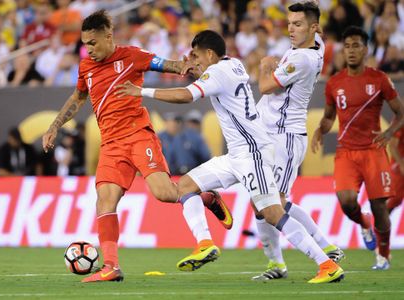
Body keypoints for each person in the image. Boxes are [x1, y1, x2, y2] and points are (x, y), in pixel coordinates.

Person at [115, 29, 344, 284]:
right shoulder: (233, 64)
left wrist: (142, 92)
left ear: (210, 53)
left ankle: (326, 264)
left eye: (197, 55)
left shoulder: (218, 72)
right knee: (185, 187)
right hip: (236, 154)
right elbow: (210, 76)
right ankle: (205, 243)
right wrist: (196, 69)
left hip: (253, 153)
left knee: (272, 213)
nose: (194, 60)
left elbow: (185, 96)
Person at [41, 10, 232, 283]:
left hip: (138, 136)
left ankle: (206, 197)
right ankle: (111, 266)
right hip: (111, 144)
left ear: (108, 37)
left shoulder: (132, 56)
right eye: (85, 44)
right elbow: (78, 97)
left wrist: (183, 66)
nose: (89, 50)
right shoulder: (86, 67)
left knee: (165, 194)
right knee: (105, 201)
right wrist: (55, 125)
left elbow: (167, 65)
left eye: (93, 43)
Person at [253, 2, 343, 280]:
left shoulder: (302, 58)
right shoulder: (317, 44)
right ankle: (321, 249)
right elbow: (319, 33)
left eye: (298, 24)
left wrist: (264, 66)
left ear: (313, 27)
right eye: (290, 23)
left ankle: (315, 257)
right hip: (271, 134)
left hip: (285, 138)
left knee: (271, 205)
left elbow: (266, 86)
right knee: (265, 204)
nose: (291, 29)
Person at [311, 26, 403, 270]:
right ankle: (364, 224)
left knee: (380, 207)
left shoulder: (379, 79)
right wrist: (321, 129)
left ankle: (383, 255)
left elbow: (400, 113)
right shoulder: (334, 83)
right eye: (347, 46)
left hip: (373, 152)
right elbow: (330, 116)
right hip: (346, 152)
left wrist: (390, 132)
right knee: (347, 201)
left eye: (356, 45)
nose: (351, 51)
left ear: (366, 49)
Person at [388, 127, 404, 214]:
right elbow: (392, 146)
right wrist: (401, 164)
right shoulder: (400, 120)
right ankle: (380, 226)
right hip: (399, 165)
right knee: (395, 200)